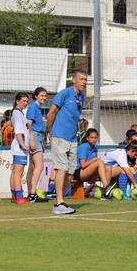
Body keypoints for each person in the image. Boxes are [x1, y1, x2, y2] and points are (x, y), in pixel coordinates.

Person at [47, 70, 87, 215]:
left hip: (72, 138)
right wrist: (49, 132)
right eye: (81, 79)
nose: (84, 82)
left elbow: (75, 116)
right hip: (59, 136)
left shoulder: (82, 96)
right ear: (74, 80)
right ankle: (59, 203)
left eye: (85, 80)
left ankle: (61, 201)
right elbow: (51, 113)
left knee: (69, 172)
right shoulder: (64, 93)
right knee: (61, 169)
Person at [26, 87, 48, 203]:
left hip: (39, 136)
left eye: (45, 96)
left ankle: (30, 193)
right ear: (36, 96)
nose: (44, 98)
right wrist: (32, 139)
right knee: (39, 166)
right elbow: (29, 124)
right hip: (35, 136)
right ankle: (33, 194)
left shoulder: (38, 108)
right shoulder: (33, 107)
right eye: (42, 96)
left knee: (33, 167)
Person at [74, 128, 112, 194]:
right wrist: (94, 160)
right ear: (87, 138)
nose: (94, 139)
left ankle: (105, 192)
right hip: (79, 172)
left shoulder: (94, 148)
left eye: (95, 137)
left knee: (108, 167)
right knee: (99, 162)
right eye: (91, 137)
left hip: (89, 172)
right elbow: (83, 165)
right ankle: (106, 186)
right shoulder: (84, 147)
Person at [9, 93, 30, 205]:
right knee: (18, 172)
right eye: (23, 101)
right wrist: (22, 144)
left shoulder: (20, 113)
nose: (25, 103)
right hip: (19, 147)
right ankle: (19, 197)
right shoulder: (17, 113)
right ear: (17, 101)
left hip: (18, 147)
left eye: (27, 101)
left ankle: (14, 195)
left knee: (15, 172)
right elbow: (18, 131)